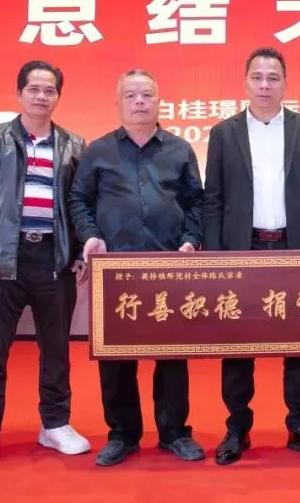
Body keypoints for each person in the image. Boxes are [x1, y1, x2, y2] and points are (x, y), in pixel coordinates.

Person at [203, 47, 300, 465]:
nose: (265, 85)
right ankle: (237, 427)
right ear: (245, 82)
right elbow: (213, 200)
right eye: (257, 77)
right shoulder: (223, 133)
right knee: (237, 342)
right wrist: (214, 257)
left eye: (273, 77)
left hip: (294, 248)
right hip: (242, 249)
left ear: (285, 83)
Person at [69, 70, 206, 466]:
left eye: (146, 94)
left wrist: (191, 240)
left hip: (169, 266)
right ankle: (122, 434)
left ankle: (174, 432)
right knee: (116, 359)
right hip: (115, 270)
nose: (140, 101)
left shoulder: (180, 150)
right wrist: (91, 236)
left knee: (172, 356)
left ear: (159, 101)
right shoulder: (98, 150)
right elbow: (79, 200)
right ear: (118, 103)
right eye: (131, 95)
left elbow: (196, 202)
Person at [0, 60, 90, 470]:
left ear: (58, 97)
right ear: (19, 94)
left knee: (56, 351)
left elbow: (80, 206)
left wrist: (80, 252)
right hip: (3, 261)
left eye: (49, 90)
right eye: (33, 89)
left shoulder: (73, 145)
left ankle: (55, 424)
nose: (41, 96)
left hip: (54, 261)